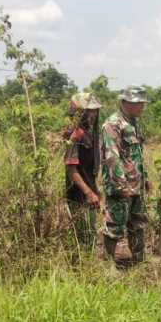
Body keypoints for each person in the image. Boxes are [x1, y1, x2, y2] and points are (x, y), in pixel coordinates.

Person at [100, 86, 157, 271]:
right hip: (121, 187)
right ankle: (109, 265)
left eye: (142, 103)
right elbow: (111, 157)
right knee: (114, 226)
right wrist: (120, 185)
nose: (142, 107)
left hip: (136, 184)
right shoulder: (112, 124)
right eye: (138, 103)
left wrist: (145, 178)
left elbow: (136, 155)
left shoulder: (133, 123)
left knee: (138, 223)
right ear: (125, 103)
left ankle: (140, 259)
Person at [63, 92, 102, 252]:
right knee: (84, 238)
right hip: (78, 195)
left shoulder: (92, 134)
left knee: (90, 234)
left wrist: (95, 190)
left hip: (89, 192)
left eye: (95, 110)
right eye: (89, 111)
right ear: (80, 112)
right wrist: (88, 193)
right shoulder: (76, 135)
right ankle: (82, 270)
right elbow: (71, 168)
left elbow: (89, 169)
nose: (93, 114)